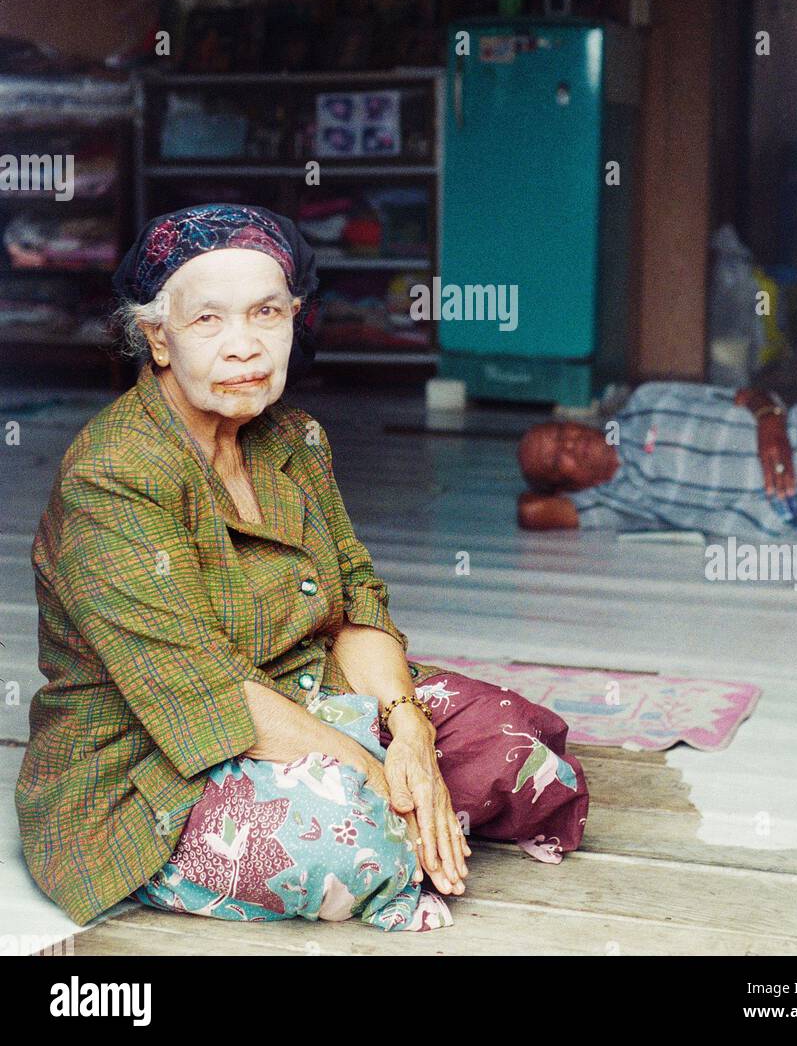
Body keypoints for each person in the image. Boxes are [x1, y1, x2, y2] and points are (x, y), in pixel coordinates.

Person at [15, 204, 588, 934]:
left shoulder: (295, 438)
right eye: (207, 322)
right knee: (353, 838)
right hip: (150, 764)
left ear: (294, 319)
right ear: (157, 339)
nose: (244, 347)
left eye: (266, 313)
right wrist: (383, 781)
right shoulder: (113, 475)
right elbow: (204, 692)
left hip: (306, 698)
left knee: (517, 744)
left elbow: (355, 603)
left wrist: (407, 732)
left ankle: (396, 803)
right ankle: (384, 824)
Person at [516, 380, 797, 565]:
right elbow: (531, 514)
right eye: (557, 460)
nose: (570, 443)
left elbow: (749, 394)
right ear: (564, 485)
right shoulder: (614, 501)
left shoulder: (648, 400)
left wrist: (769, 420)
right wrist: (536, 480)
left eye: (562, 431)